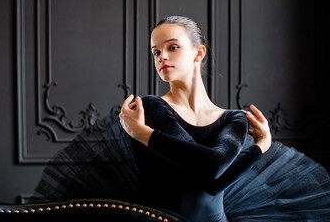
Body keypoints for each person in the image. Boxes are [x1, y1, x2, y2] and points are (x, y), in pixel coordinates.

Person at [32, 16, 330, 221]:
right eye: (156, 51)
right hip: (156, 220)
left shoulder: (232, 119)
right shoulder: (151, 107)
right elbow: (207, 168)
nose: (162, 56)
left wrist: (142, 135)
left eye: (172, 47)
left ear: (198, 53)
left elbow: (213, 177)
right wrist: (257, 148)